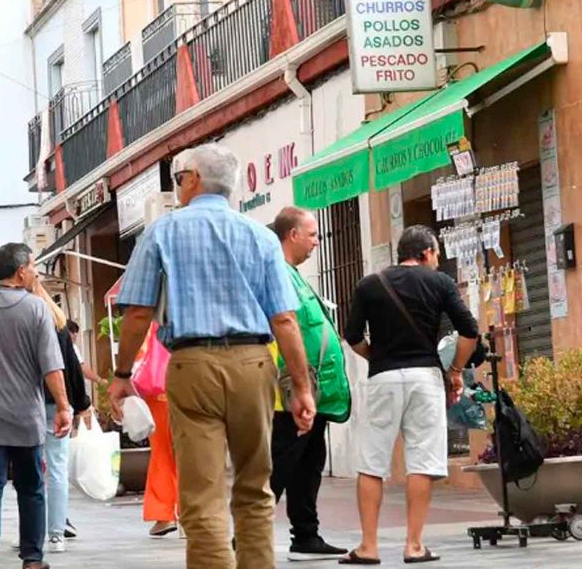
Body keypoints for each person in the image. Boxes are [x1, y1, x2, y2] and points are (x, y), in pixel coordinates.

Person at [108, 144, 314, 569]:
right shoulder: (260, 236)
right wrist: (300, 387)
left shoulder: (163, 232)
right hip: (253, 364)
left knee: (201, 493)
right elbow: (285, 320)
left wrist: (122, 373)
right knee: (255, 487)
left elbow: (139, 312)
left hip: (192, 365)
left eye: (180, 177)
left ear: (193, 179)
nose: (179, 186)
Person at [340, 225, 479, 565]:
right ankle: (414, 546)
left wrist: (377, 357)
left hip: (383, 377)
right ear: (427, 252)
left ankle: (368, 547)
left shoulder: (369, 285)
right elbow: (469, 331)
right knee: (422, 461)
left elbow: (352, 335)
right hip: (425, 379)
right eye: (436, 254)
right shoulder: (440, 283)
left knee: (372, 463)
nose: (437, 260)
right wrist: (457, 371)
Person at [0, 243, 71, 569]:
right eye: (33, 266)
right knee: (31, 487)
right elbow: (51, 366)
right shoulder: (36, 309)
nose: (35, 272)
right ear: (21, 271)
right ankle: (32, 559)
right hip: (26, 417)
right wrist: (63, 405)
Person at [270, 207, 352, 561]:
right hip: (290, 396)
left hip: (311, 392)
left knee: (308, 464)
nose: (318, 242)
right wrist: (298, 386)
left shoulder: (293, 274)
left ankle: (306, 535)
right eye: (313, 234)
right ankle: (245, 537)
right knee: (279, 468)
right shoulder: (278, 274)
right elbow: (285, 326)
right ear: (292, 235)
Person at [30, 280, 91, 555]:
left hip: (23, 402)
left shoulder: (19, 319)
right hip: (55, 401)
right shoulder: (58, 322)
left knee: (28, 468)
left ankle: (30, 531)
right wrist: (80, 404)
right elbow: (72, 369)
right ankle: (56, 533)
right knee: (56, 468)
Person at [139, 321, 180, 540]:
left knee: (163, 452)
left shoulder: (153, 318)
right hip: (194, 384)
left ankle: (164, 514)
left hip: (159, 388)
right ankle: (192, 513)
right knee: (192, 452)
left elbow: (141, 354)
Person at [66, 320, 101, 385]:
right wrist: (100, 380)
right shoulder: (71, 347)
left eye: (76, 332)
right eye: (72, 331)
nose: (75, 334)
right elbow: (82, 369)